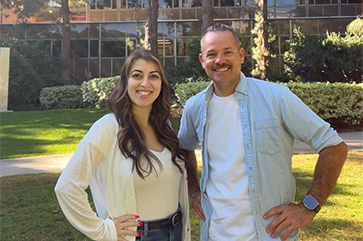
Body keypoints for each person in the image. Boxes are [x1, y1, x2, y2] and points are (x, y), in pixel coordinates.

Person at [177, 24, 348, 241]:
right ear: (202, 61)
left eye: (227, 52)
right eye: (212, 54)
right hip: (214, 233)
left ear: (241, 55)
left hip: (268, 235)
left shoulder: (276, 98)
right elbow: (184, 148)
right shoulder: (195, 107)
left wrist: (308, 207)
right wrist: (193, 190)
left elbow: (334, 146)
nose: (220, 60)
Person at [55, 48, 191, 241]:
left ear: (162, 84)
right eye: (137, 75)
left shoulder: (164, 127)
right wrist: (103, 231)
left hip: (175, 231)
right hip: (139, 236)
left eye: (154, 76)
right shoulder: (108, 128)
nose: (145, 83)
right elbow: (66, 187)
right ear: (125, 82)